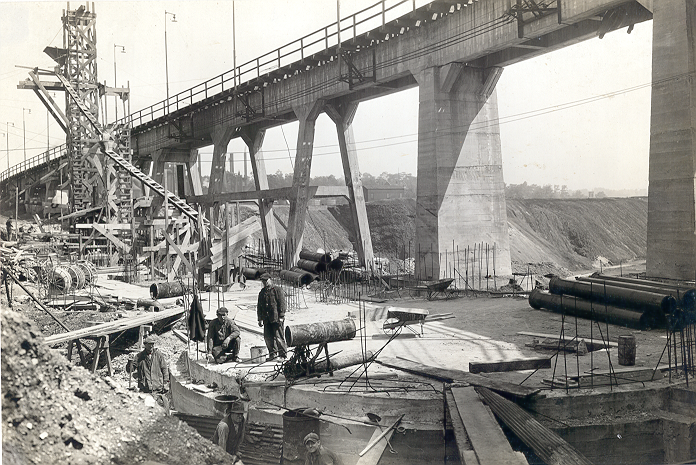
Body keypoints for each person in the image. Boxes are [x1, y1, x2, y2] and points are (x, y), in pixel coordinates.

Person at [257, 273, 287, 361]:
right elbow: (259, 307)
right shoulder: (262, 292)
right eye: (263, 281)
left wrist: (281, 315)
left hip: (276, 318)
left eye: (266, 280)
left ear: (270, 279)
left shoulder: (277, 290)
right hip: (266, 319)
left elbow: (282, 304)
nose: (265, 282)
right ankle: (272, 354)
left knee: (279, 337)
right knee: (268, 337)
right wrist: (260, 319)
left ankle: (283, 355)